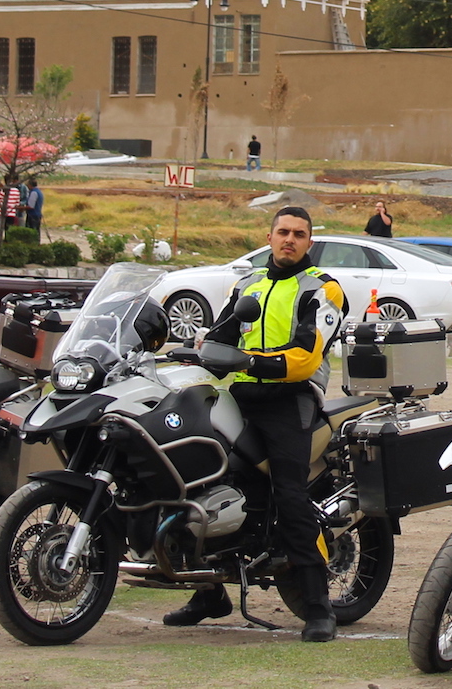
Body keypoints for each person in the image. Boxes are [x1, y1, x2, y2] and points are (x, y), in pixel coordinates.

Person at [163, 205, 346, 642]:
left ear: (309, 242)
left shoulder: (323, 289)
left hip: (291, 399)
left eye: (299, 234)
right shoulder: (248, 283)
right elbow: (221, 336)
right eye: (283, 231)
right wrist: (190, 350)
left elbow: (305, 357)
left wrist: (246, 360)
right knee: (193, 476)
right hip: (241, 396)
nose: (289, 240)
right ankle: (208, 591)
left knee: (289, 493)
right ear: (269, 237)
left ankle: (319, 606)